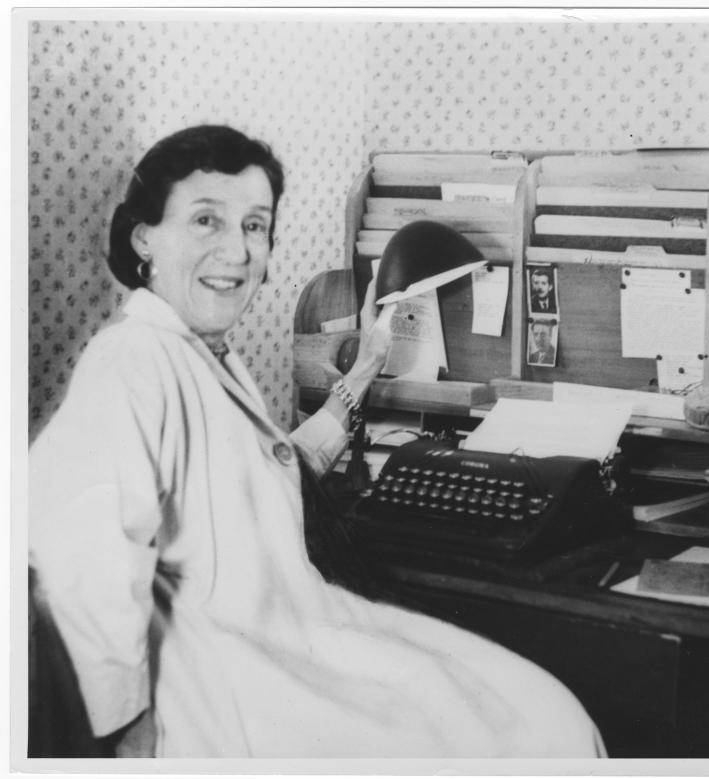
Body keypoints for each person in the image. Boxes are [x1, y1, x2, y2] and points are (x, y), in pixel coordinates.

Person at [28, 126, 604, 759]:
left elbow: (278, 471)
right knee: (518, 731)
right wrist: (124, 738)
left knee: (535, 709)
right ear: (144, 237)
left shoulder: (199, 354)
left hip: (292, 635)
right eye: (205, 221)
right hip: (224, 679)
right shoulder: (133, 359)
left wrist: (365, 368)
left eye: (254, 226)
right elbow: (84, 560)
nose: (236, 250)